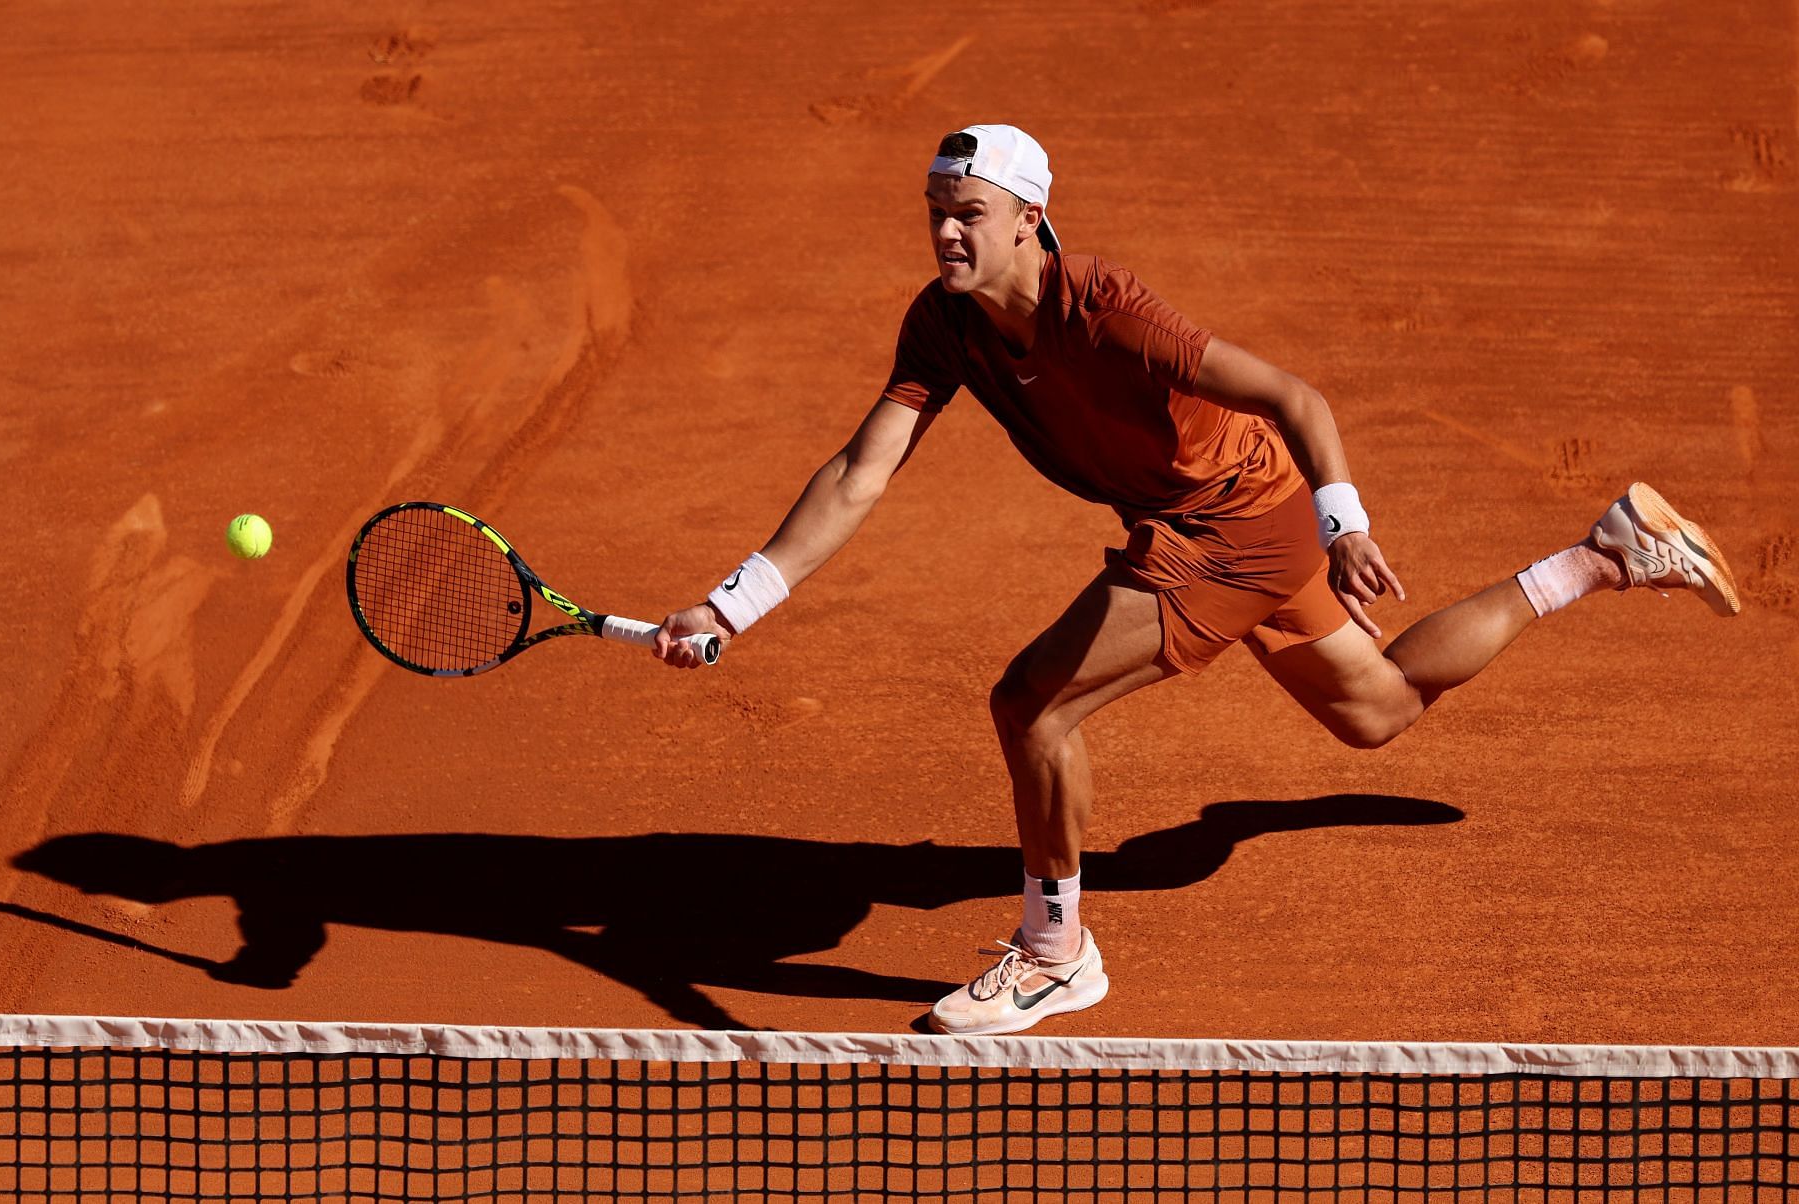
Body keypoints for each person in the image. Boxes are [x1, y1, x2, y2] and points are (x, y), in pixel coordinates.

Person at [652, 124, 1740, 1036]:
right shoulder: (943, 326)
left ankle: (1053, 949)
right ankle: (1607, 553)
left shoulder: (1109, 307)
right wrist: (737, 599)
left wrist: (1342, 518)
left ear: (1029, 217)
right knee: (1380, 709)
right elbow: (858, 471)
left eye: (968, 210)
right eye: (936, 207)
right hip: (1212, 515)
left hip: (1234, 524)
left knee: (1032, 705)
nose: (945, 228)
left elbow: (1293, 394)